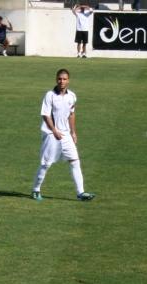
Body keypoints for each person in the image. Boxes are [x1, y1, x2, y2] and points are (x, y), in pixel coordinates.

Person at [31, 69, 95, 202]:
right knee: (46, 164)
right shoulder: (50, 95)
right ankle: (36, 190)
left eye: (64, 79)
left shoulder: (72, 96)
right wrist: (54, 131)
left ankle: (81, 192)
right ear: (56, 79)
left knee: (74, 161)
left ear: (68, 80)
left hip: (66, 135)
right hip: (51, 134)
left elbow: (71, 114)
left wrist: (73, 132)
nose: (62, 81)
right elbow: (45, 115)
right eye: (59, 79)